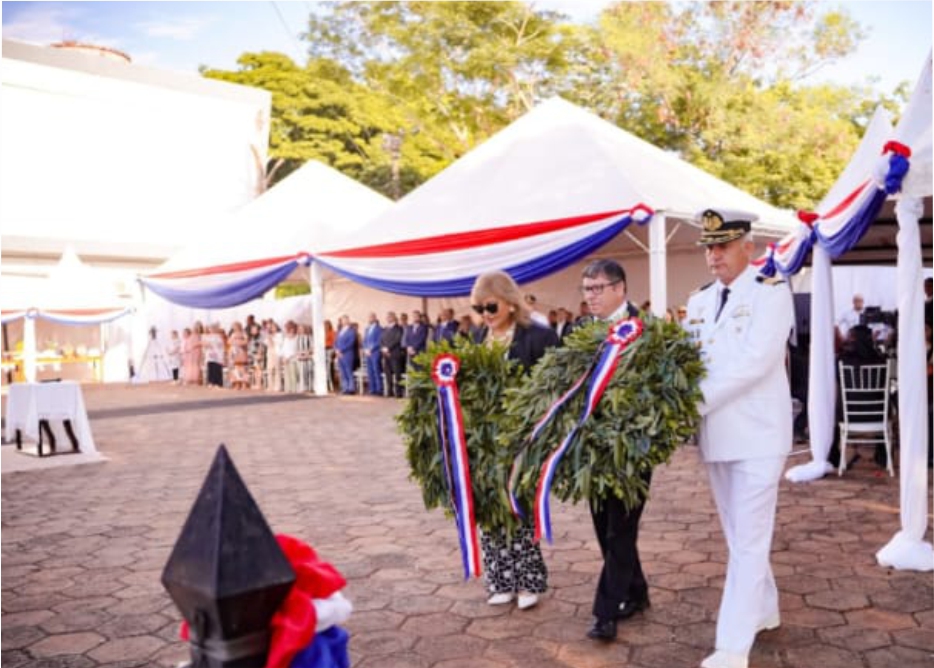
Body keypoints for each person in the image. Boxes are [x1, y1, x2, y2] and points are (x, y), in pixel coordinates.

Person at [684, 208, 794, 668]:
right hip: (717, 437)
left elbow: (756, 362)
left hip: (758, 434)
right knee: (739, 535)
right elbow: (688, 362)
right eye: (709, 247)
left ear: (748, 247)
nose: (714, 256)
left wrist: (695, 401)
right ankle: (764, 609)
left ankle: (733, 647)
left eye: (723, 246)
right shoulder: (699, 300)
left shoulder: (772, 293)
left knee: (748, 539)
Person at [471, 270, 559, 611]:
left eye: (490, 306)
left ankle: (529, 581)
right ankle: (500, 580)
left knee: (520, 509)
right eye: (479, 309)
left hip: (524, 440)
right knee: (491, 509)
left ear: (509, 301)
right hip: (487, 443)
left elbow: (553, 389)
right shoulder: (481, 338)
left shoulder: (538, 336)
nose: (485, 315)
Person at [577, 259, 651, 642]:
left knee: (621, 528)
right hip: (594, 451)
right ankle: (636, 591)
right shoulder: (580, 330)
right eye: (586, 289)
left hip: (631, 451)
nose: (590, 296)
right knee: (605, 528)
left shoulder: (647, 330)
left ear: (620, 288)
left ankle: (605, 613)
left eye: (597, 289)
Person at [380, 311, 405, 398]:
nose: (388, 318)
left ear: (394, 317)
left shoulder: (398, 328)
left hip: (395, 353)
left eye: (390, 317)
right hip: (386, 354)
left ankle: (398, 392)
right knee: (388, 374)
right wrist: (383, 348)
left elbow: (397, 339)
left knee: (397, 374)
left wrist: (388, 348)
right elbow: (381, 339)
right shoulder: (385, 329)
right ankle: (389, 391)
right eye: (387, 317)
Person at [334, 315, 357, 395]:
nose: (343, 322)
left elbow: (351, 342)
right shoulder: (340, 331)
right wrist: (336, 350)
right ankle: (345, 388)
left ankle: (351, 388)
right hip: (339, 354)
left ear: (348, 321)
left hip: (347, 354)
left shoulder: (351, 331)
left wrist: (341, 350)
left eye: (345, 320)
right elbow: (335, 342)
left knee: (348, 371)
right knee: (342, 371)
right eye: (342, 320)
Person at [362, 312, 384, 396]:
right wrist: (365, 349)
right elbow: (364, 341)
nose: (370, 319)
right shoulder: (367, 329)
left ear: (375, 318)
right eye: (369, 317)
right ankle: (372, 389)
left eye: (371, 317)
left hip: (375, 352)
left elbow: (379, 341)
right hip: (368, 353)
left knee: (376, 370)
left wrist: (371, 349)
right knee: (370, 371)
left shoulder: (379, 328)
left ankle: (379, 389)